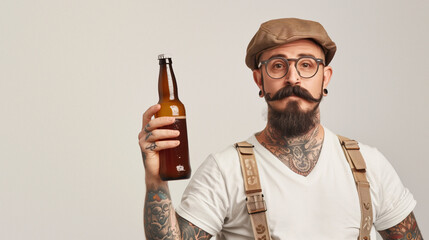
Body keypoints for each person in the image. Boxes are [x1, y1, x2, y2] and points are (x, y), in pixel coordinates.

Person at [138, 18, 423, 240]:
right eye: (277, 66)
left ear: (325, 77)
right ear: (259, 80)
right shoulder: (224, 170)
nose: (293, 78)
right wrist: (155, 180)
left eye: (307, 65)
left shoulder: (370, 164)